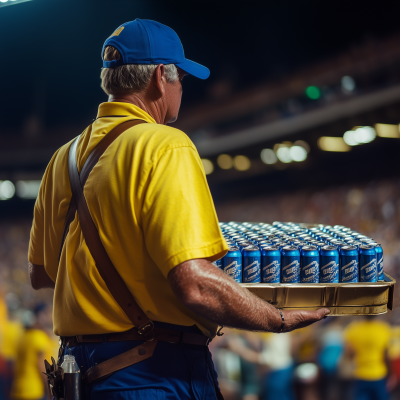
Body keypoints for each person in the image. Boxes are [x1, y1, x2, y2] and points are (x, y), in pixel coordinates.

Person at [28, 19, 330, 400]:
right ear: (159, 77)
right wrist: (277, 318)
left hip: (80, 373)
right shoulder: (165, 145)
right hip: (154, 372)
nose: (180, 89)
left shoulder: (62, 157)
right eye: (181, 79)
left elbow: (40, 274)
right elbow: (194, 284)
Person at [344, 316, 396, 400]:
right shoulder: (383, 329)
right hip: (378, 374)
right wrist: (391, 374)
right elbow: (386, 355)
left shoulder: (353, 329)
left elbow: (349, 353)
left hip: (360, 374)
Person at [10, 304, 53, 400]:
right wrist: (50, 391)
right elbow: (42, 367)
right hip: (34, 391)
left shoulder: (21, 337)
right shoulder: (39, 337)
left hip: (17, 389)